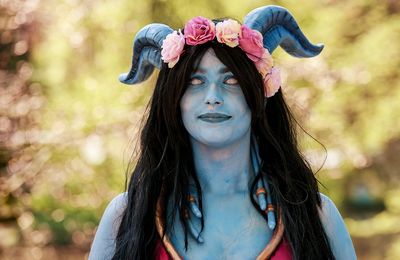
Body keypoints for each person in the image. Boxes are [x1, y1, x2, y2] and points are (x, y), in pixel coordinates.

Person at [89, 5, 357, 260]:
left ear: (261, 94)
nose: (213, 97)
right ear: (173, 100)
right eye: (195, 80)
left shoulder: (317, 216)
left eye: (231, 80)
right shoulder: (126, 216)